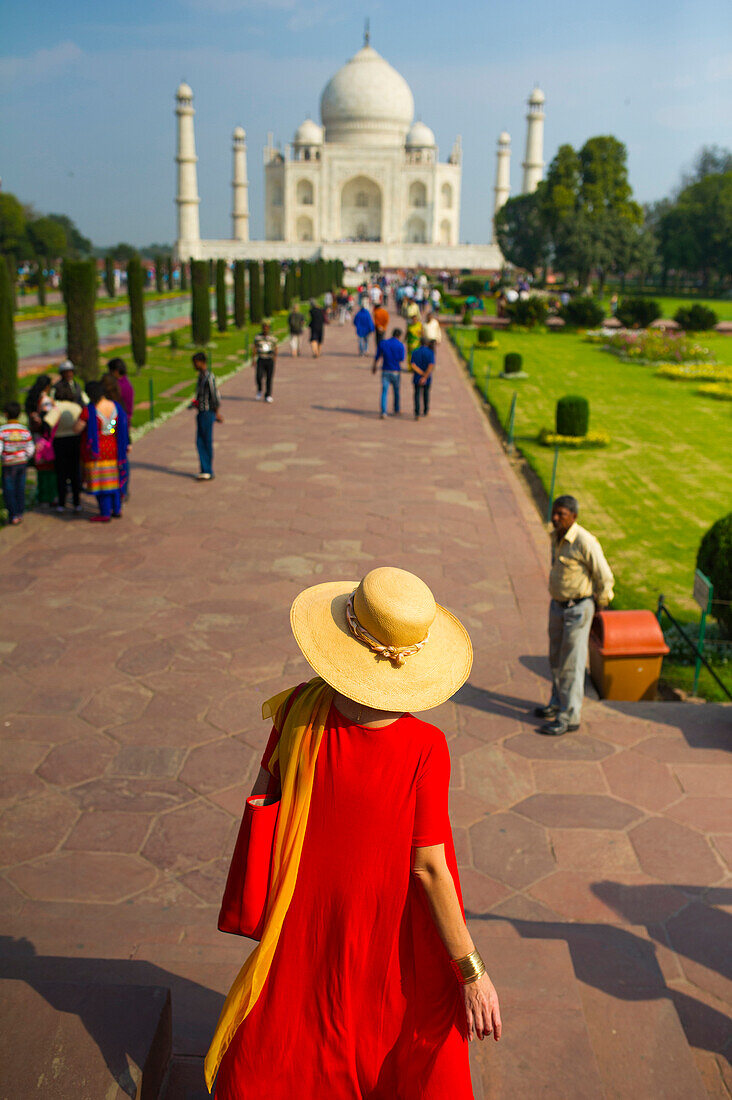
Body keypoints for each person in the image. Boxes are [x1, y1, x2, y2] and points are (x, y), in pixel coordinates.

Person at [206, 566, 502, 1099]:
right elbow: (429, 868)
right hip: (382, 924)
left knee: (290, 1037)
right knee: (376, 1039)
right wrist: (472, 969)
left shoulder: (298, 706)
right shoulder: (425, 747)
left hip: (302, 910)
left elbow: (263, 801)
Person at [536, 495, 615, 736]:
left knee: (572, 662)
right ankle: (557, 702)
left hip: (578, 609)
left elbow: (604, 576)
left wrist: (600, 605)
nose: (555, 518)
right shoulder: (556, 536)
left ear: (574, 516)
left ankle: (569, 716)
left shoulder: (584, 541)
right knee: (556, 658)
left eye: (561, 514)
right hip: (558, 606)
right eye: (554, 513)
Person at [74, 380, 129, 523]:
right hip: (114, 449)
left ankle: (105, 513)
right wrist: (107, 431)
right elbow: (112, 427)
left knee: (101, 484)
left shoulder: (90, 410)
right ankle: (116, 509)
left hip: (95, 452)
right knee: (113, 482)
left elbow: (77, 429)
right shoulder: (115, 407)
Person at [44, 380, 84, 512]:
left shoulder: (58, 408)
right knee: (75, 473)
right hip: (75, 440)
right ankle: (77, 502)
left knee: (61, 474)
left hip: (60, 442)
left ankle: (62, 503)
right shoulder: (77, 408)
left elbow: (47, 423)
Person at [24, 374, 56, 507]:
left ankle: (41, 496)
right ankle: (50, 496)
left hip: (36, 438)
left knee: (41, 468)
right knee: (50, 470)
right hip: (46, 438)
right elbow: (49, 419)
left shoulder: (32, 399)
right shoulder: (46, 400)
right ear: (47, 386)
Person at [190, 351, 223, 481]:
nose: (194, 366)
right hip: (201, 412)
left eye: (195, 363)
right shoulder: (201, 377)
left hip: (207, 413)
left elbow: (214, 396)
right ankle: (204, 468)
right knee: (200, 441)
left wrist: (217, 413)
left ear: (201, 362)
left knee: (206, 441)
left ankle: (208, 469)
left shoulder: (209, 377)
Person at [0, 402, 34, 525]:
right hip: (22, 462)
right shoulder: (24, 430)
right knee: (20, 488)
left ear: (5, 414)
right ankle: (20, 512)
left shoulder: (2, 430)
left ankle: (13, 514)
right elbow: (30, 447)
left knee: (9, 489)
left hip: (8, 464)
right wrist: (25, 456)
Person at [373, 326, 405, 419]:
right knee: (396, 391)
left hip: (385, 370)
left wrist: (374, 366)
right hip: (395, 370)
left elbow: (377, 356)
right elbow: (401, 359)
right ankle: (396, 409)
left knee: (384, 391)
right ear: (399, 336)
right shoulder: (400, 345)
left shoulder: (384, 343)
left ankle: (384, 411)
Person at [411, 337, 435, 419]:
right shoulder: (430, 352)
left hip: (417, 377)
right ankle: (425, 411)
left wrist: (421, 374)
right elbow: (431, 365)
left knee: (417, 395)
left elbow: (413, 365)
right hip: (427, 377)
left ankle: (417, 412)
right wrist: (425, 376)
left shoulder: (415, 352)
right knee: (426, 394)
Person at [254, 321, 278, 403]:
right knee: (259, 376)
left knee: (269, 378)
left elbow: (276, 348)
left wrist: (274, 357)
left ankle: (268, 395)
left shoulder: (272, 338)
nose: (265, 329)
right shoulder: (258, 337)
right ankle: (260, 390)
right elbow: (254, 347)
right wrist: (253, 359)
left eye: (267, 327)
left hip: (269, 359)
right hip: (261, 359)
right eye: (264, 327)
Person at [107, 358, 134, 422]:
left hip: (117, 420)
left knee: (111, 430)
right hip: (125, 419)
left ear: (116, 371)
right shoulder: (127, 383)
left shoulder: (117, 386)